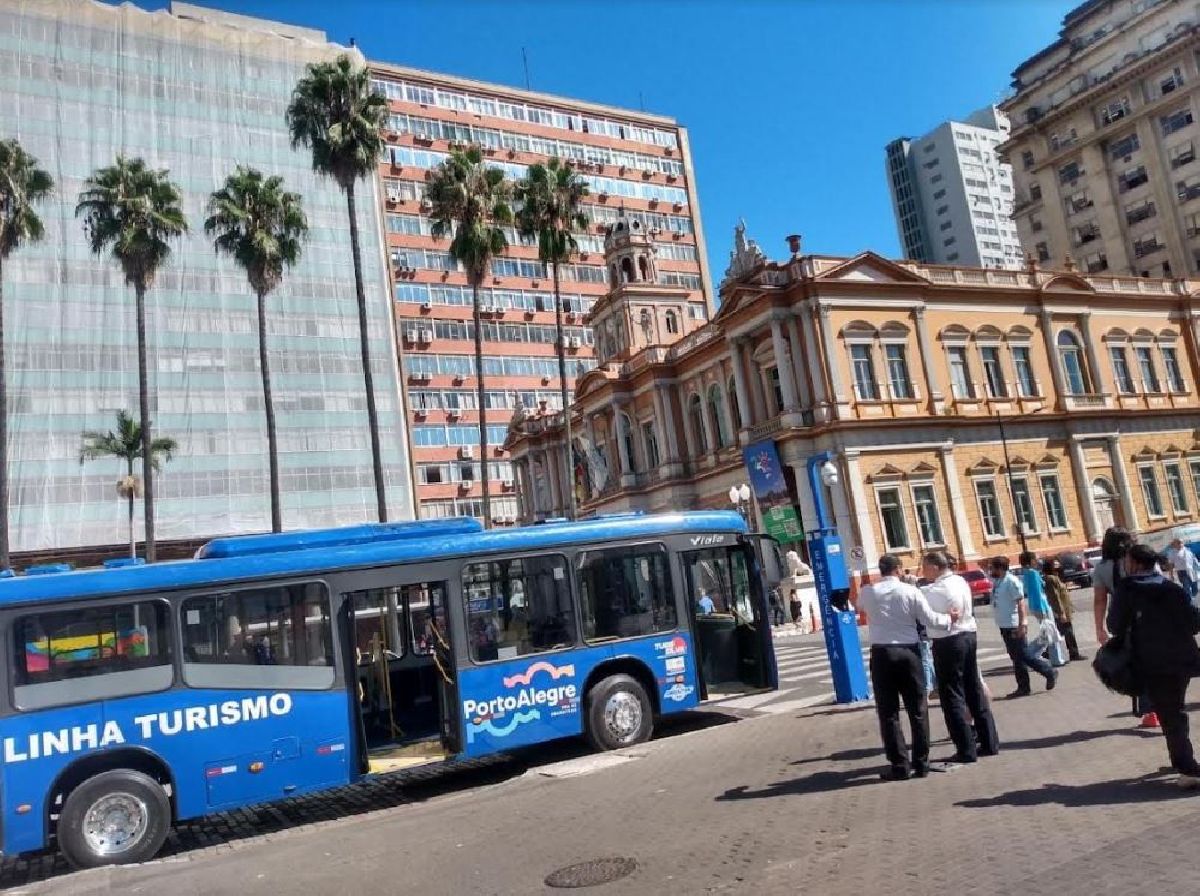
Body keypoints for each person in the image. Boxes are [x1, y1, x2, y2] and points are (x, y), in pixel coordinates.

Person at [855, 553, 959, 781]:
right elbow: (929, 618)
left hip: (881, 653)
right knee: (918, 709)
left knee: (888, 712)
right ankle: (921, 763)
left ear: (881, 570)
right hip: (909, 652)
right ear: (899, 569)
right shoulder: (911, 591)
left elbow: (858, 606)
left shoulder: (869, 592)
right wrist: (949, 619)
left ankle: (899, 765)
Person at [1106, 543, 1200, 785]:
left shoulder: (1128, 590)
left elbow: (1114, 626)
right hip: (1182, 658)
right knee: (1173, 708)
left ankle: (1188, 769)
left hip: (1151, 660)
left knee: (1170, 713)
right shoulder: (1172, 588)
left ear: (1135, 563)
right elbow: (1194, 624)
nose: (1125, 565)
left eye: (1127, 561)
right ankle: (1181, 759)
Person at [921, 551, 1000, 763]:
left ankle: (966, 748)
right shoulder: (960, 581)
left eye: (925, 566)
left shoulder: (936, 589)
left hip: (948, 640)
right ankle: (990, 741)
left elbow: (924, 612)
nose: (923, 571)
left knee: (952, 695)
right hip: (968, 635)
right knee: (973, 688)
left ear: (936, 567)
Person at [1093, 526, 1157, 728]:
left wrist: (1099, 628)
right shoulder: (1140, 559)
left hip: (1123, 621)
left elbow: (1099, 600)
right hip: (1150, 618)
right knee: (1154, 663)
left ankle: (1147, 708)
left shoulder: (1102, 568)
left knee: (1137, 664)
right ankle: (1154, 707)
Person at [990, 555, 1057, 698]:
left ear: (1000, 568)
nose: (990, 570)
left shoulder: (1011, 581)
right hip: (1004, 625)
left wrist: (1023, 623)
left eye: (992, 567)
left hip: (1014, 624)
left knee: (1023, 654)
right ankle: (1023, 686)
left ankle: (1048, 671)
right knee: (1016, 657)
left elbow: (1020, 604)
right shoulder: (999, 581)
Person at [1042, 558, 1084, 661]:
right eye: (1054, 562)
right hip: (1060, 610)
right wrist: (1061, 612)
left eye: (1057, 562)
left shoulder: (1056, 577)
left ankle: (1047, 652)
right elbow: (1055, 597)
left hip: (1064, 608)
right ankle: (1073, 653)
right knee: (1067, 632)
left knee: (1060, 632)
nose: (1058, 564)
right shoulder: (1050, 579)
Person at [1019, 551, 1051, 621]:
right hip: (1041, 606)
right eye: (1036, 559)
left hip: (1034, 605)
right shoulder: (1033, 573)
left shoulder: (1025, 572)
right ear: (1031, 561)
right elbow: (1037, 592)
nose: (1037, 561)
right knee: (1050, 627)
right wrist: (1042, 608)